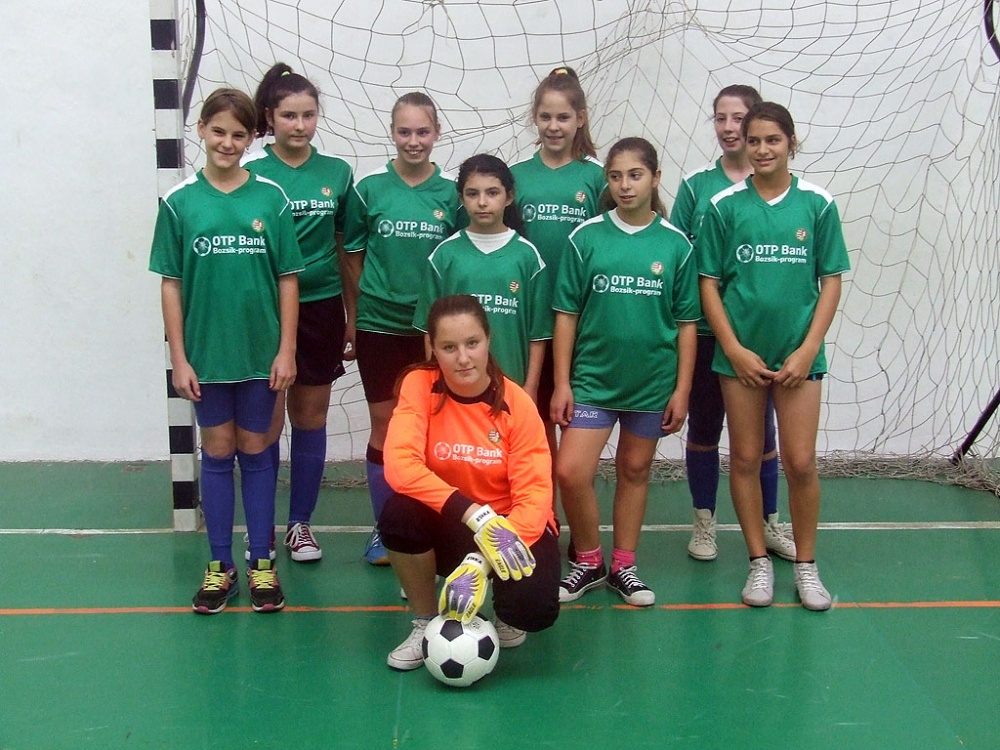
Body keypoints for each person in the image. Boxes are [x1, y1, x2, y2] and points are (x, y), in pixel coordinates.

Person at [149, 88, 304, 614]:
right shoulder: (179, 202)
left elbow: (288, 278)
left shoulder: (271, 199)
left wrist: (286, 350)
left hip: (261, 356)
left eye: (239, 134)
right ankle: (220, 565)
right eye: (218, 131)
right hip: (207, 357)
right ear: (201, 130)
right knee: (216, 451)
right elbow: (171, 283)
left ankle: (261, 562)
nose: (227, 142)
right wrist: (180, 358)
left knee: (256, 450)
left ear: (252, 137)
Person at [698, 102, 850, 611]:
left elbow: (831, 281)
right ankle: (758, 561)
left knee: (800, 462)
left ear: (791, 143)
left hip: (798, 359)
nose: (762, 150)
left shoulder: (817, 204)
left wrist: (808, 349)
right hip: (740, 359)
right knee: (744, 458)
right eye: (754, 141)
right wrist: (733, 349)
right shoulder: (724, 206)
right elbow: (708, 284)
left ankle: (806, 566)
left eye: (772, 140)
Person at [551, 137, 699, 607]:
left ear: (655, 178)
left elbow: (686, 324)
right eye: (615, 176)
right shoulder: (586, 238)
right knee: (570, 471)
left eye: (635, 175)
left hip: (652, 384)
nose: (625, 185)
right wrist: (562, 382)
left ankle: (624, 566)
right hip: (593, 381)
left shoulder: (675, 245)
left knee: (635, 470)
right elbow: (566, 315)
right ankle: (589, 561)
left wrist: (682, 390)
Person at [380, 295, 560, 670]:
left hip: (509, 528)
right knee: (399, 514)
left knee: (534, 610)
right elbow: (399, 465)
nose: (463, 358)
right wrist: (474, 515)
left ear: (488, 340)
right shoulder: (419, 385)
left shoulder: (517, 403)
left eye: (472, 343)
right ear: (433, 347)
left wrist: (481, 561)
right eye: (449, 347)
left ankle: (503, 608)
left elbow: (535, 496)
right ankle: (426, 622)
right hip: (455, 520)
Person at [670, 85, 795, 563]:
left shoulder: (783, 192)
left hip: (759, 339)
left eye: (738, 118)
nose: (728, 128)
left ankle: (769, 522)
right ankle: (704, 523)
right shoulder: (697, 186)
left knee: (762, 437)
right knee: (704, 427)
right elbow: (679, 256)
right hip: (707, 335)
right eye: (719, 118)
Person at [342, 92, 464, 565]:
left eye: (423, 131)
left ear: (437, 133)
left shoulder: (451, 193)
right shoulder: (369, 189)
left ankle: (437, 522)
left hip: (431, 331)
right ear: (392, 133)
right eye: (405, 131)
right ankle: (385, 527)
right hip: (379, 326)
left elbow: (458, 257)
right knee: (386, 424)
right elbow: (352, 254)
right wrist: (364, 305)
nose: (414, 141)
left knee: (436, 427)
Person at [244, 63, 356, 563]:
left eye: (308, 115)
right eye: (289, 115)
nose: (300, 125)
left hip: (321, 310)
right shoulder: (252, 171)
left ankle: (300, 525)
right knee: (266, 424)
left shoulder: (337, 173)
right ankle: (261, 527)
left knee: (310, 418)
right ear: (270, 116)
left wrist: (351, 313)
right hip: (267, 313)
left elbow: (345, 248)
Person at [510, 67, 606, 514]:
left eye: (563, 117)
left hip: (583, 326)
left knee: (575, 430)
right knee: (534, 427)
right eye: (545, 117)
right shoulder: (515, 177)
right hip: (529, 324)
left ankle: (578, 526)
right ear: (535, 117)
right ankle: (541, 517)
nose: (554, 126)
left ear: (580, 119)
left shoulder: (598, 178)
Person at [414, 153, 550, 393]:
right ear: (461, 198)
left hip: (511, 388)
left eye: (492, 193)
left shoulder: (528, 257)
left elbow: (537, 335)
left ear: (509, 197)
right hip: (456, 391)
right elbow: (429, 331)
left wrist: (531, 387)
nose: (482, 202)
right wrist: (439, 384)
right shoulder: (444, 255)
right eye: (473, 194)